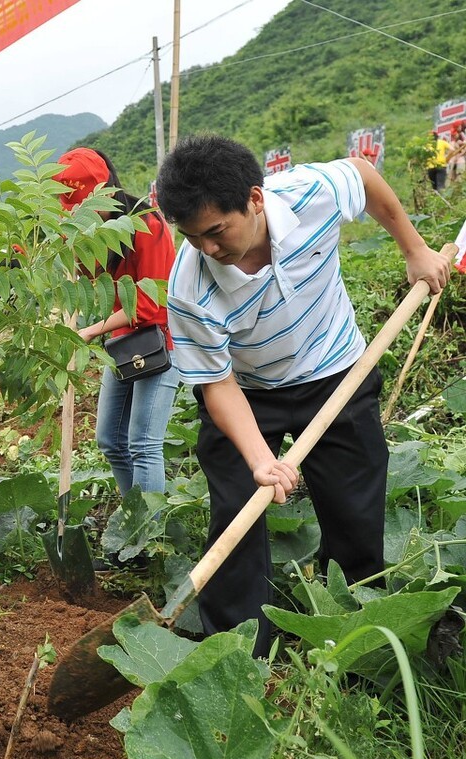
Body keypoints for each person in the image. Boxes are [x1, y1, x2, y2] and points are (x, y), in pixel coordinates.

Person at [156, 135, 450, 657]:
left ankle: (359, 632)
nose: (207, 248)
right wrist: (259, 461)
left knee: (355, 506)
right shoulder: (189, 284)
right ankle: (240, 651)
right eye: (192, 236)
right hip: (248, 393)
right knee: (237, 511)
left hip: (337, 370)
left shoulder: (310, 193)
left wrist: (415, 249)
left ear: (254, 198)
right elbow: (215, 383)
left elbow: (363, 174)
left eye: (216, 232)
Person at [57, 149, 180, 567]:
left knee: (144, 443)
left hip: (160, 340)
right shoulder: (96, 233)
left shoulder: (146, 225)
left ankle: (148, 542)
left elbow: (149, 303)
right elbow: (91, 278)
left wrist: (88, 332)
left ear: (103, 193)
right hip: (124, 343)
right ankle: (135, 522)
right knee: (111, 440)